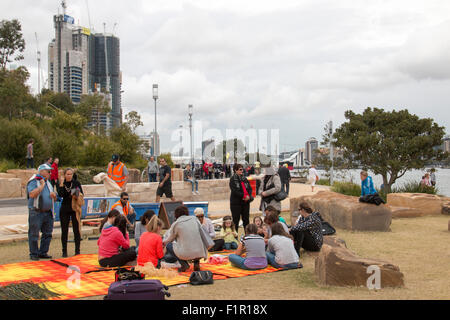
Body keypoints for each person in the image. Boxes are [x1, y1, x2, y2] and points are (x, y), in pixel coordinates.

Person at [163, 206, 214, 272]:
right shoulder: (195, 220)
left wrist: (163, 242)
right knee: (195, 243)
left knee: (169, 245)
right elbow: (204, 234)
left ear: (176, 215)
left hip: (185, 254)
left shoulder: (176, 224)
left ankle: (184, 264)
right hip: (200, 252)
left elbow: (170, 239)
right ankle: (196, 263)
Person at [26, 164, 57, 260]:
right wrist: (42, 186)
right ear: (41, 171)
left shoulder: (48, 182)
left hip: (48, 212)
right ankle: (34, 253)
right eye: (48, 171)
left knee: (47, 233)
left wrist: (54, 196)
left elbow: (55, 198)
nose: (50, 173)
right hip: (36, 211)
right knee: (34, 234)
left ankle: (43, 252)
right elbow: (31, 194)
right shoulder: (34, 181)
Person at [56, 168, 84, 257]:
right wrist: (61, 184)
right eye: (67, 174)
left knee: (76, 230)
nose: (69, 176)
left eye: (71, 174)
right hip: (64, 208)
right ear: (64, 175)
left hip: (74, 208)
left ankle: (77, 250)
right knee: (64, 230)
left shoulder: (76, 183)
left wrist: (75, 194)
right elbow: (61, 194)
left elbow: (81, 193)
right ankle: (64, 251)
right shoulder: (61, 183)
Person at [229, 163, 253, 232]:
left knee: (246, 221)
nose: (242, 171)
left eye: (242, 169)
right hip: (236, 203)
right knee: (235, 221)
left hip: (245, 203)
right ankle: (235, 239)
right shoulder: (233, 179)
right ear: (235, 170)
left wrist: (248, 196)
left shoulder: (244, 178)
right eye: (240, 169)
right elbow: (234, 191)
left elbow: (249, 188)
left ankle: (248, 237)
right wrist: (243, 196)